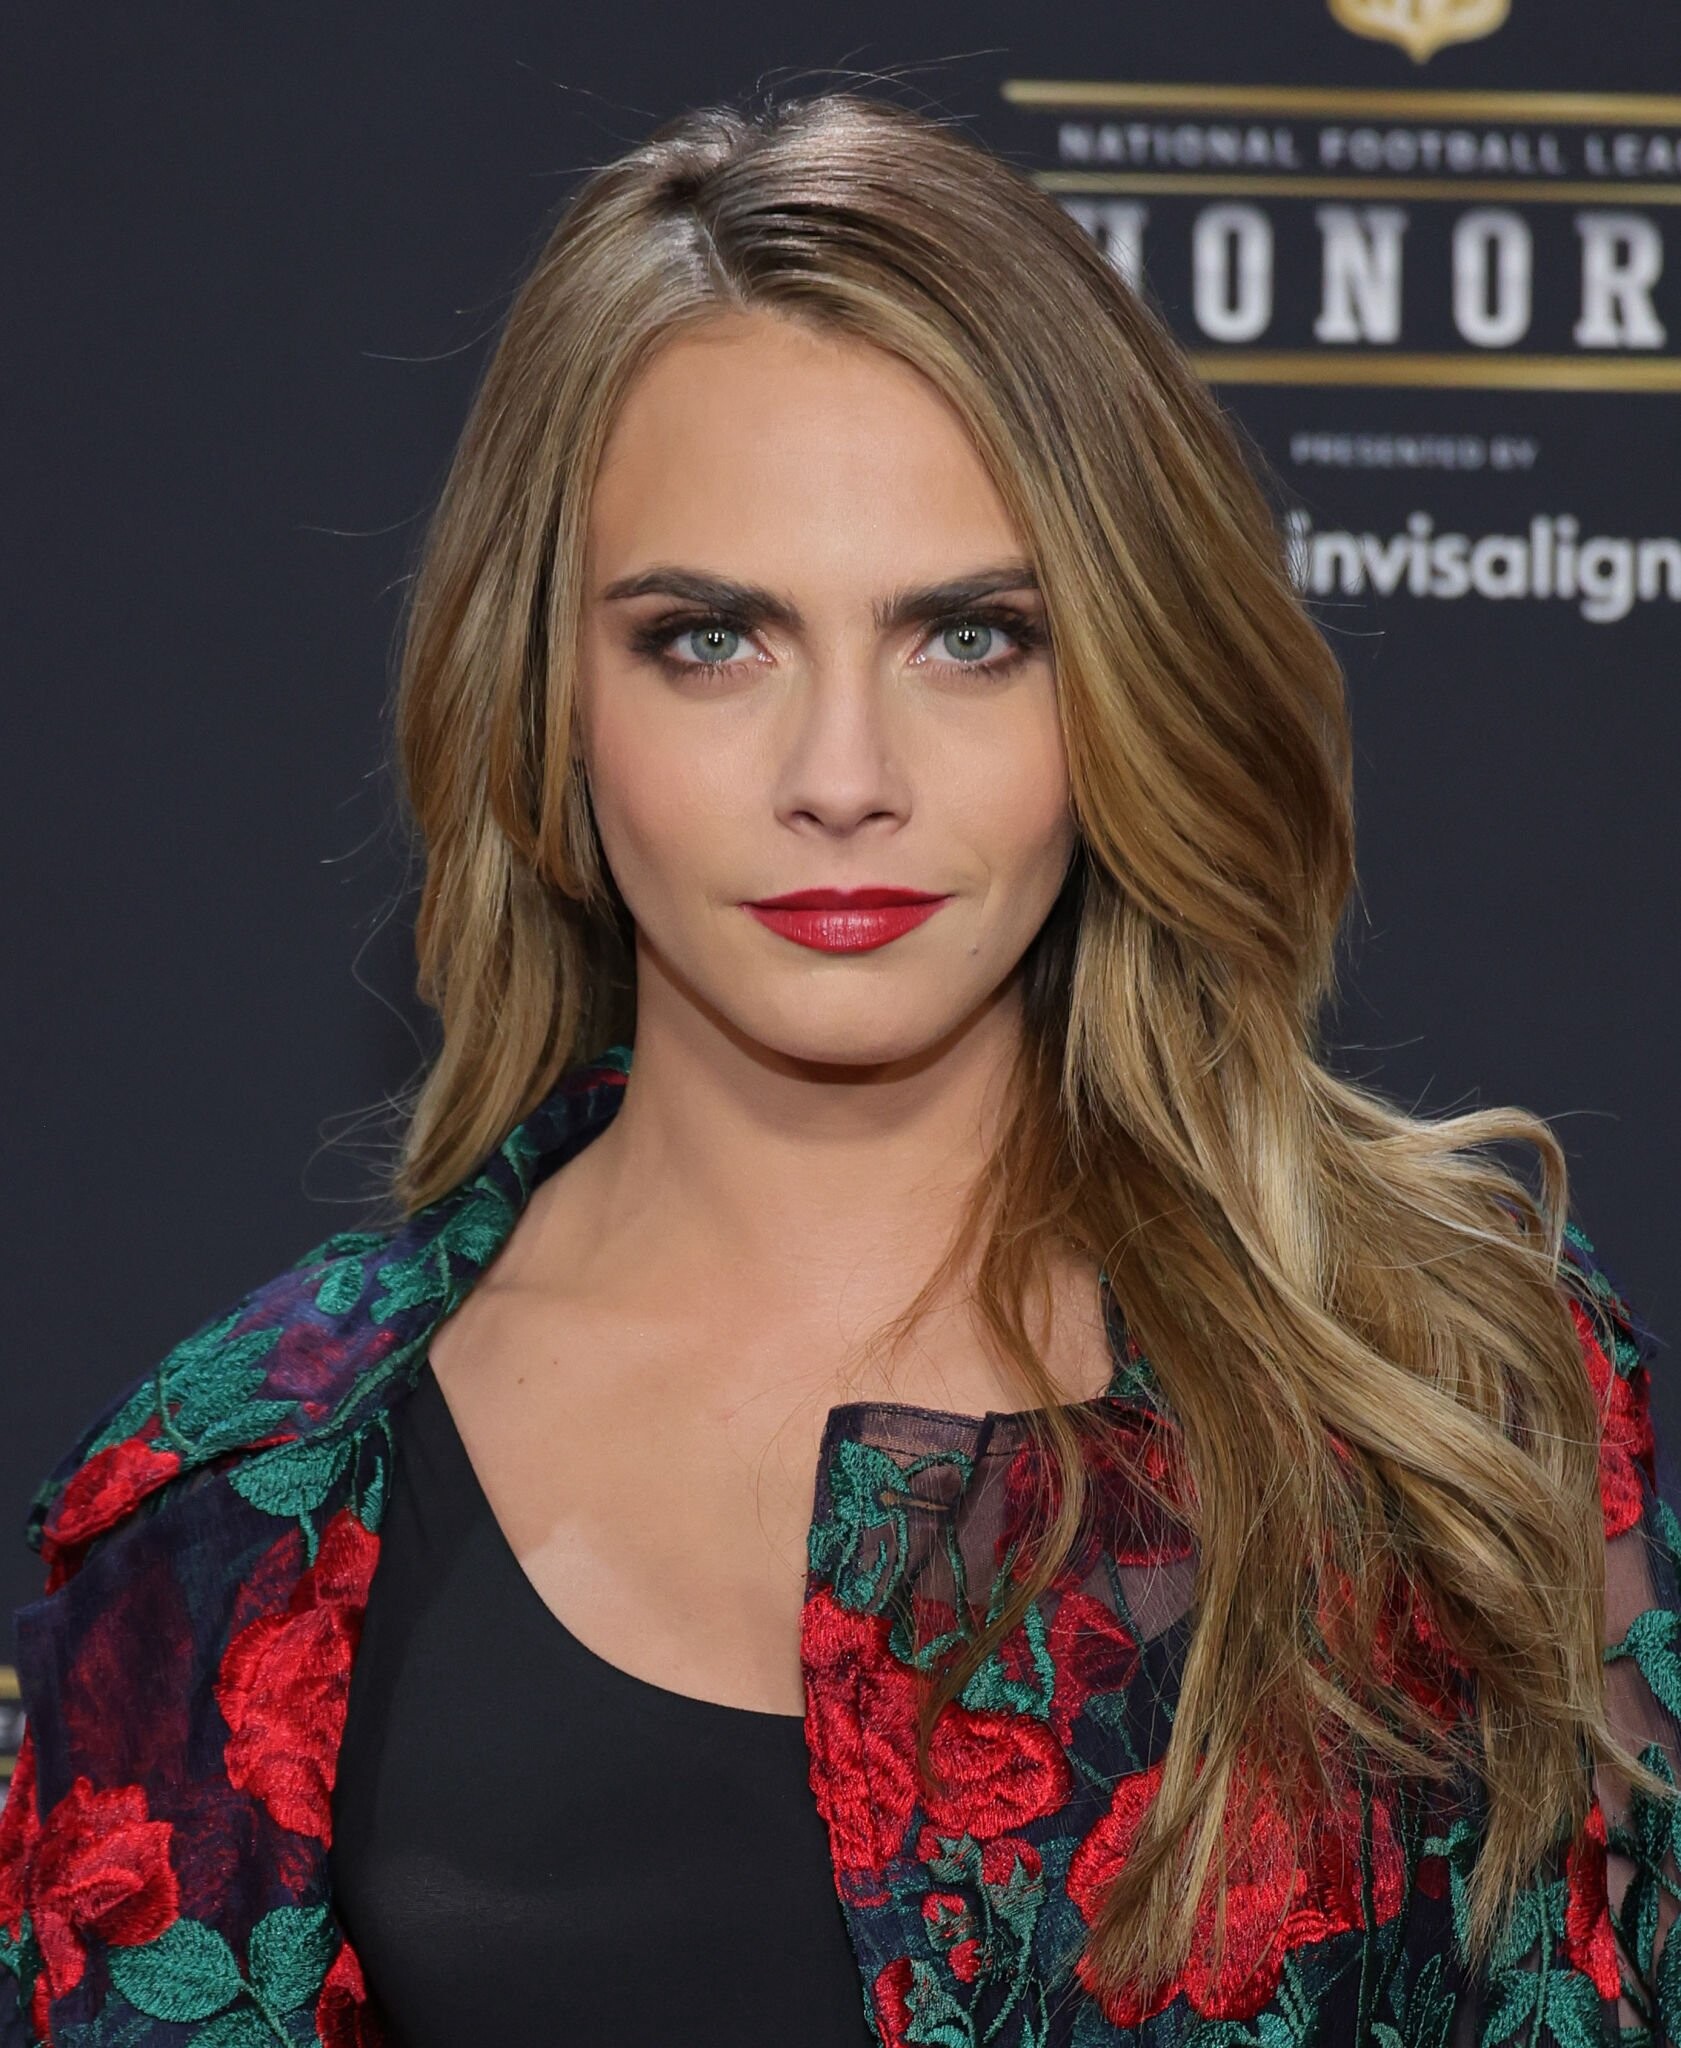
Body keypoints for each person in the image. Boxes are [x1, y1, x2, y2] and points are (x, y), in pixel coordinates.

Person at [0, 85, 1674, 2048]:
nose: (843, 778)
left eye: (969, 637)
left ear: (1122, 677)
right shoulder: (234, 1503)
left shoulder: (1447, 1381)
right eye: (713, 639)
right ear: (547, 692)